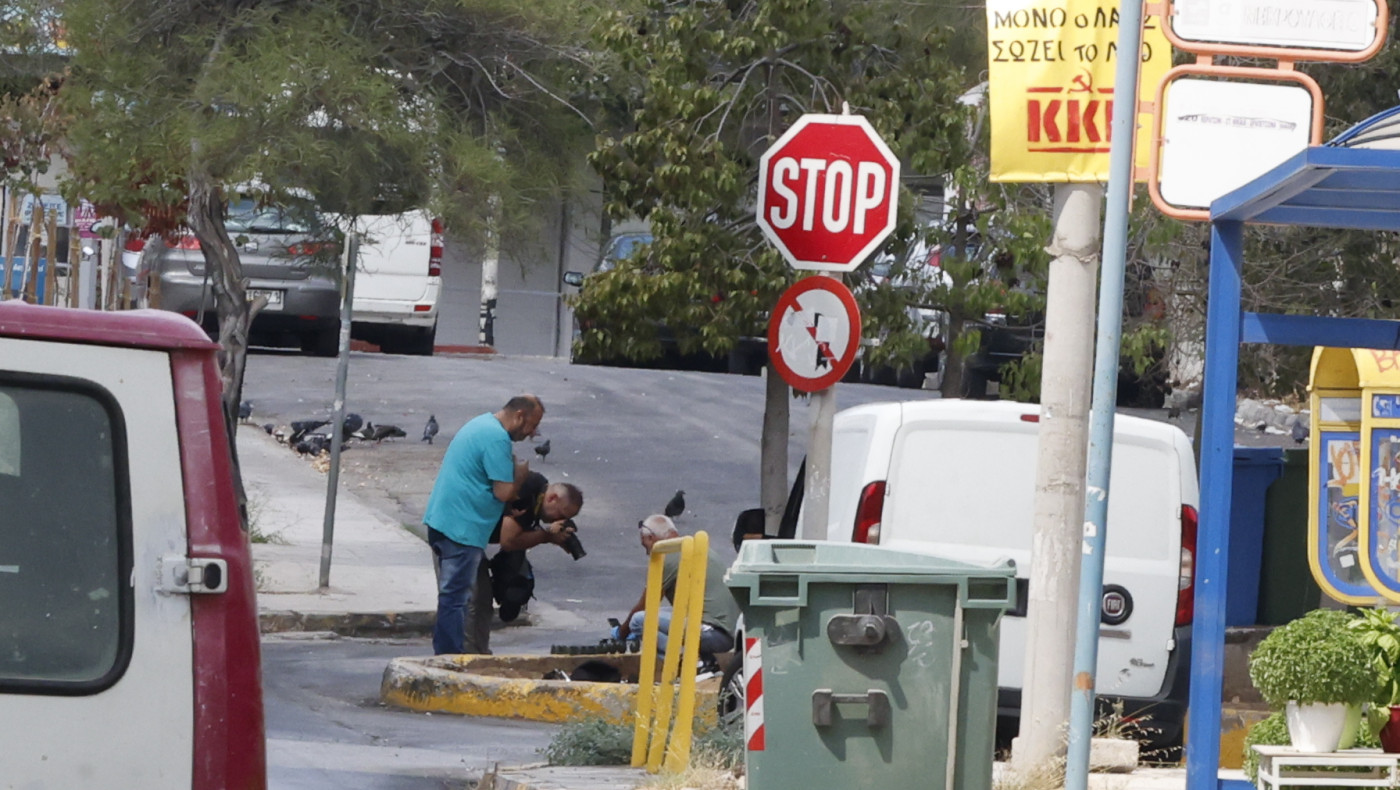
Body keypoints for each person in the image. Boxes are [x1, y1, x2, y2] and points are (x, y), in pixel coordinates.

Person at [423, 395, 542, 656]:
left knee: (455, 597)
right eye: (532, 425)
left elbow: (483, 483)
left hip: (446, 521)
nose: (533, 433)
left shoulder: (482, 424)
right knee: (457, 599)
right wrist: (520, 476)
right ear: (520, 415)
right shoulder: (496, 438)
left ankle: (450, 654)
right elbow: (503, 491)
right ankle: (449, 658)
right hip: (461, 528)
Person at [463, 471, 584, 653]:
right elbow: (509, 541)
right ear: (552, 498)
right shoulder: (528, 493)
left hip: (470, 538)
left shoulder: (538, 492)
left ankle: (478, 653)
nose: (557, 521)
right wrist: (547, 536)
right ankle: (464, 655)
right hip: (458, 533)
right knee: (472, 601)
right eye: (559, 515)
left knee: (482, 601)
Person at [618, 514, 740, 659]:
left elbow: (646, 605)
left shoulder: (667, 555)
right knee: (661, 613)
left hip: (713, 633)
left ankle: (685, 661)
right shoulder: (692, 547)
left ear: (651, 538)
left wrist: (621, 633)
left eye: (646, 546)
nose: (647, 553)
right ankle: (702, 660)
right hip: (729, 630)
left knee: (638, 621)